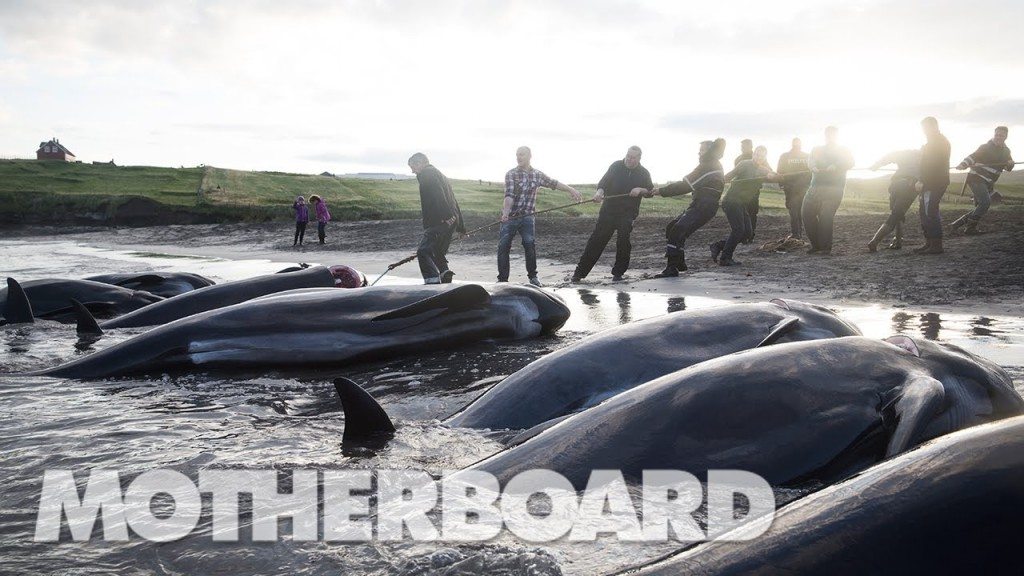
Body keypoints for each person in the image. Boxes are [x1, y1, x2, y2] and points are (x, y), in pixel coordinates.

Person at [634, 138, 726, 278]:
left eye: (701, 150)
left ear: (709, 150)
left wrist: (661, 191)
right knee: (673, 227)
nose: (698, 153)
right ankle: (679, 263)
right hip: (702, 205)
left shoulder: (708, 165)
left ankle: (671, 268)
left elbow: (685, 185)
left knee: (677, 230)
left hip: (703, 206)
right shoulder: (712, 164)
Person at [498, 146, 582, 286]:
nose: (519, 157)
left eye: (522, 154)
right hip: (510, 217)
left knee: (529, 244)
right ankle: (502, 280)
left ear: (530, 156)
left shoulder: (537, 175)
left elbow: (553, 183)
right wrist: (506, 213)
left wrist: (570, 189)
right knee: (503, 246)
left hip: (528, 217)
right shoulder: (511, 174)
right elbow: (509, 196)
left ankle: (533, 277)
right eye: (517, 155)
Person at [571, 146, 652, 282]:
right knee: (597, 240)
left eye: (633, 158)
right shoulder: (616, 166)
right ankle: (579, 274)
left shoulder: (643, 173)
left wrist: (640, 189)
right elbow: (603, 183)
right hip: (609, 211)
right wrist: (599, 193)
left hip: (628, 212)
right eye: (628, 156)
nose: (629, 160)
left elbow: (650, 191)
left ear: (639, 158)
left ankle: (618, 273)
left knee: (623, 240)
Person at [711, 145, 779, 266]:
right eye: (757, 154)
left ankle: (718, 245)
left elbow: (776, 175)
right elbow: (729, 176)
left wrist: (771, 175)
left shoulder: (763, 169)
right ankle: (725, 258)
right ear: (754, 154)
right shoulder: (744, 164)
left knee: (747, 233)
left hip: (741, 204)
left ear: (765, 158)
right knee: (738, 230)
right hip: (731, 201)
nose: (759, 157)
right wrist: (716, 181)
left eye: (762, 156)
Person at [408, 152, 465, 284]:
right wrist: (461, 226)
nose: (412, 171)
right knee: (436, 250)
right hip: (451, 220)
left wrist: (445, 217)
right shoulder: (440, 175)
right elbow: (454, 201)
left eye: (413, 167)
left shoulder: (427, 174)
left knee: (423, 251)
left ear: (420, 163)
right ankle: (445, 273)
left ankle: (431, 281)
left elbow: (438, 195)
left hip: (439, 221)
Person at [801, 126, 854, 255]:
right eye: (828, 134)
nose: (830, 137)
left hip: (834, 189)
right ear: (825, 135)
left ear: (837, 136)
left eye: (833, 134)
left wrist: (836, 165)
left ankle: (825, 248)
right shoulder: (816, 149)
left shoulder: (844, 150)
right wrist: (812, 166)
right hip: (815, 187)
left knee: (826, 216)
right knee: (806, 213)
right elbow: (810, 160)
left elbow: (851, 162)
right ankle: (816, 245)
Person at [953, 126, 1014, 235]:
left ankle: (958, 223)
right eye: (997, 135)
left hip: (988, 182)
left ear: (1006, 137)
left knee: (980, 207)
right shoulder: (985, 147)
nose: (998, 137)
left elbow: (1008, 167)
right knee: (985, 203)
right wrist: (963, 164)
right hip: (976, 177)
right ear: (994, 135)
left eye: (1001, 135)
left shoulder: (1006, 151)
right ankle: (970, 229)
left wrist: (1010, 164)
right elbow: (972, 157)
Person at [866, 149, 921, 252]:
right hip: (909, 185)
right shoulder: (924, 156)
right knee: (896, 215)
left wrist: (876, 165)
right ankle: (874, 242)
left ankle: (898, 241)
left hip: (895, 184)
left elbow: (888, 157)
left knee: (898, 214)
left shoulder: (904, 153)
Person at [913, 116, 951, 254]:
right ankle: (929, 242)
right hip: (931, 182)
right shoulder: (933, 142)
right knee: (924, 212)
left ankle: (936, 245)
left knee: (930, 212)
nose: (924, 131)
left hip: (934, 182)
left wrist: (922, 180)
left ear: (934, 126)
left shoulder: (939, 142)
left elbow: (932, 165)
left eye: (926, 128)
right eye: (923, 129)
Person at [777, 138, 812, 239]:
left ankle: (797, 233)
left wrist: (782, 184)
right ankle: (798, 233)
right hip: (795, 189)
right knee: (797, 211)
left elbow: (779, 171)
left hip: (797, 189)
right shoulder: (805, 156)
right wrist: (782, 184)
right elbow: (780, 172)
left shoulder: (805, 156)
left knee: (795, 212)